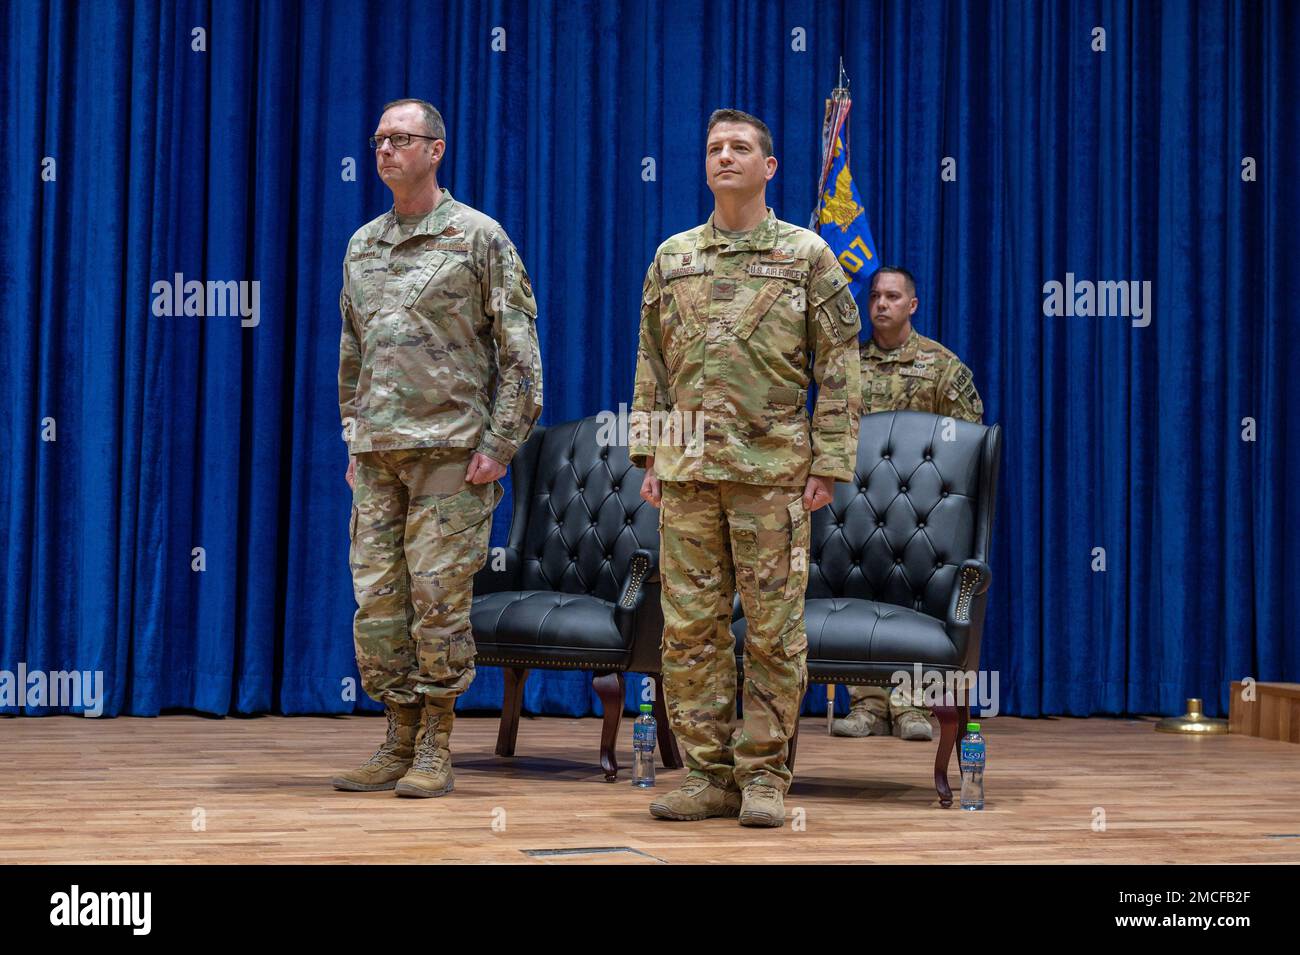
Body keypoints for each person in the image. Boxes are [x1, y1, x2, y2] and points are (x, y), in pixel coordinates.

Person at [630, 109, 862, 827]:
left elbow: (842, 366)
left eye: (740, 147)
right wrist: (652, 455)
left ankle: (763, 775)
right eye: (713, 148)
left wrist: (829, 462)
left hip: (773, 477)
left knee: (771, 631)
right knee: (689, 632)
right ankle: (708, 774)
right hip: (690, 475)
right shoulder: (673, 257)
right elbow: (652, 362)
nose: (724, 156)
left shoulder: (807, 255)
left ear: (770, 167)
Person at [332, 98, 543, 797]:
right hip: (379, 456)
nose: (386, 148)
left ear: (436, 149)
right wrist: (354, 435)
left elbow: (521, 357)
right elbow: (353, 355)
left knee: (438, 602)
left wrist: (500, 444)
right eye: (380, 138)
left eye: (401, 138)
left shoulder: (479, 238)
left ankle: (436, 745)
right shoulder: (363, 244)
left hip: (453, 454)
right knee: (379, 604)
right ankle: (396, 733)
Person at [832, 266, 983, 741]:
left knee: (918, 605)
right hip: (860, 511)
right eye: (875, 296)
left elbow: (968, 441)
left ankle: (913, 705)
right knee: (861, 602)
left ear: (912, 305)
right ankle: (867, 705)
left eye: (892, 297)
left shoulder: (942, 367)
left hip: (924, 517)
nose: (880, 304)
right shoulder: (849, 365)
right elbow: (832, 432)